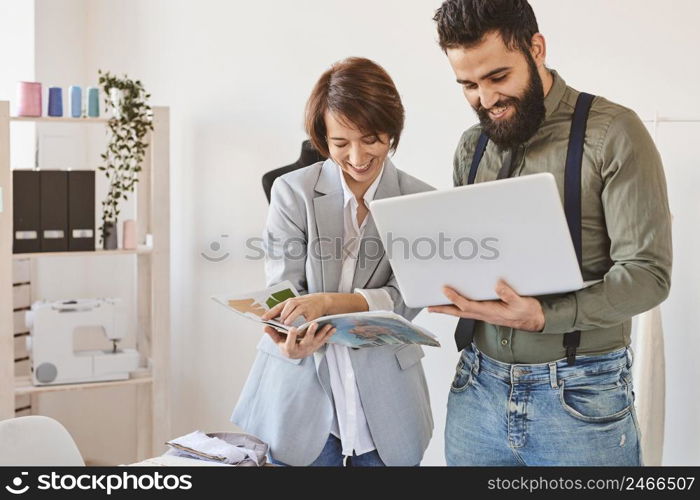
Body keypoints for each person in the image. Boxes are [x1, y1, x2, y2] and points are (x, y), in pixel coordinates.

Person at [429, 0, 672, 466]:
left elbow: (648, 275)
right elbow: (470, 255)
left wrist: (545, 316)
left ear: (536, 48)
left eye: (498, 77)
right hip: (476, 387)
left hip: (580, 394)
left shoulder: (613, 133)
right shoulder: (470, 146)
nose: (485, 99)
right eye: (468, 85)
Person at [232, 57, 434, 467]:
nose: (357, 156)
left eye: (372, 139)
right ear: (324, 139)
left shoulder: (418, 200)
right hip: (301, 398)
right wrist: (288, 327)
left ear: (392, 132)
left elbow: (407, 297)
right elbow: (283, 287)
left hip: (386, 406)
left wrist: (326, 304)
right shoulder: (292, 192)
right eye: (341, 143)